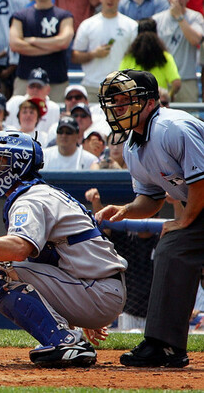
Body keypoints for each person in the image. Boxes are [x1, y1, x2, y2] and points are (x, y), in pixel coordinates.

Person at [0, 131, 127, 366]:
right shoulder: (38, 192)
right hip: (95, 287)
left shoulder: (30, 198)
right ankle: (67, 336)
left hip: (97, 289)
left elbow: (18, 249)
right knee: (13, 266)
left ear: (17, 164)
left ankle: (65, 341)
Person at [96, 69, 204, 368]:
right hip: (198, 205)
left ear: (150, 102)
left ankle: (163, 345)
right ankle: (164, 345)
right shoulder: (132, 146)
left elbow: (201, 183)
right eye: (115, 102)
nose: (118, 108)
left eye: (125, 100)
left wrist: (184, 222)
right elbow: (151, 199)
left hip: (199, 202)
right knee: (174, 249)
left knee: (173, 247)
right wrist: (126, 210)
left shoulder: (173, 127)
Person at [9, 0, 75, 102]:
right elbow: (15, 44)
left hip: (56, 81)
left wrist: (33, 41)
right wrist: (53, 47)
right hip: (26, 80)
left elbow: (63, 42)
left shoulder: (64, 16)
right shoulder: (20, 16)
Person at [71, 0, 138, 100]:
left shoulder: (131, 26)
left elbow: (136, 56)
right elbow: (75, 56)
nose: (110, 0)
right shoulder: (88, 25)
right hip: (93, 86)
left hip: (121, 87)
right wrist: (93, 54)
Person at [152, 0, 204, 103]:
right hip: (163, 80)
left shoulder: (195, 17)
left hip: (187, 79)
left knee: (190, 114)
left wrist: (180, 17)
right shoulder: (157, 19)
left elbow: (195, 40)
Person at [119, 19, 181, 98]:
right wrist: (168, 97)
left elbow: (120, 81)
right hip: (156, 100)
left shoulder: (129, 57)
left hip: (135, 100)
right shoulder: (165, 57)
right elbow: (176, 84)